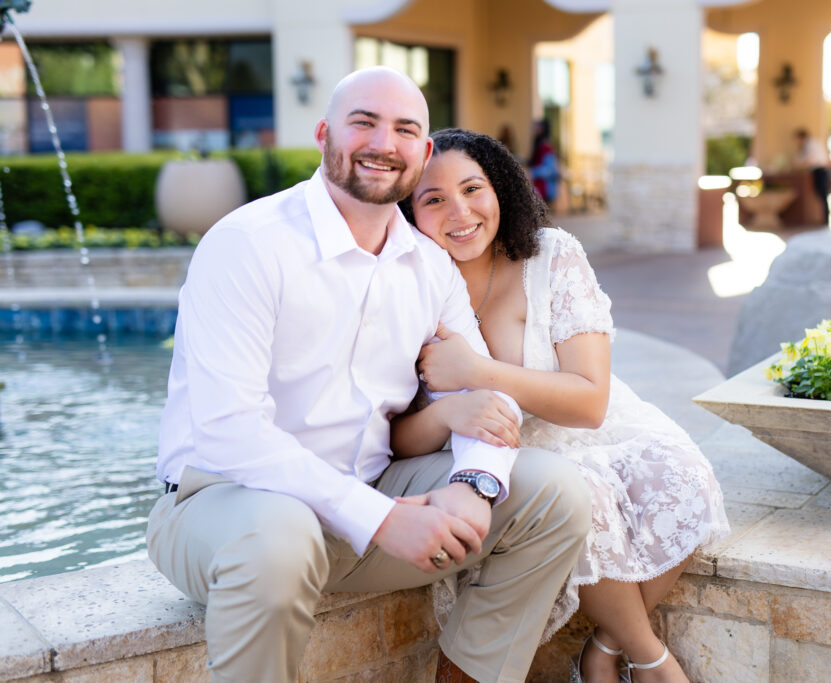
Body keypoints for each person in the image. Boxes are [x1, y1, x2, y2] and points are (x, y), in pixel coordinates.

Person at [146, 67, 591, 683]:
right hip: (227, 507)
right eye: (365, 122)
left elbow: (483, 396)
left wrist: (475, 484)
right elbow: (228, 431)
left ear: (423, 152)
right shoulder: (248, 243)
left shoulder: (429, 265)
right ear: (325, 133)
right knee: (280, 534)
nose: (385, 142)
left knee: (554, 493)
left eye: (405, 129)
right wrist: (383, 519)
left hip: (370, 496)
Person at [396, 129, 730, 683]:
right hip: (509, 453)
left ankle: (605, 647)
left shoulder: (551, 256)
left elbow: (590, 402)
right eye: (433, 199)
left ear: (500, 188)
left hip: (589, 423)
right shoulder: (403, 289)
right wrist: (449, 411)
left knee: (682, 475)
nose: (460, 211)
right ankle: (652, 661)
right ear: (407, 213)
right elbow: (396, 441)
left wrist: (477, 371)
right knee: (581, 496)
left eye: (473, 188)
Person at [793, 127, 831, 226]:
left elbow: (810, 159)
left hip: (820, 170)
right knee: (821, 193)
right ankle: (824, 217)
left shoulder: (810, 144)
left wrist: (799, 164)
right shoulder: (811, 144)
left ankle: (825, 218)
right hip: (820, 170)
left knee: (822, 193)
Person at [528, 119, 560, 205]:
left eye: (538, 127)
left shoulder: (546, 147)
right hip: (538, 185)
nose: (536, 129)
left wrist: (534, 172)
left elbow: (550, 169)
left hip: (543, 186)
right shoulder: (538, 144)